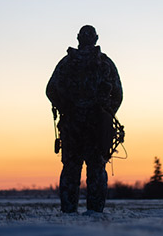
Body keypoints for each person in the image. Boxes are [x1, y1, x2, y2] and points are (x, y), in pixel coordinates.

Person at [46, 25, 123, 213]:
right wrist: (106, 113)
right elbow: (118, 95)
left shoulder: (66, 63)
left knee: (71, 169)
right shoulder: (105, 64)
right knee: (97, 169)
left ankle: (69, 213)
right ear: (96, 39)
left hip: (72, 126)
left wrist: (67, 109)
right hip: (97, 127)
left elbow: (50, 90)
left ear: (78, 38)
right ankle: (95, 215)